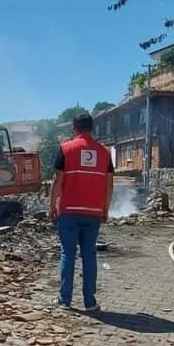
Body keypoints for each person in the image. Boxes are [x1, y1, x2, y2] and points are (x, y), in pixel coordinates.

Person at [49, 112, 114, 312]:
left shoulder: (66, 149)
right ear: (91, 128)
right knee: (89, 255)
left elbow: (57, 181)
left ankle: (65, 300)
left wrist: (52, 206)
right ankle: (90, 302)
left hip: (68, 211)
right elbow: (109, 184)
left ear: (74, 128)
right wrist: (105, 209)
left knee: (68, 254)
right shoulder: (104, 153)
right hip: (93, 213)